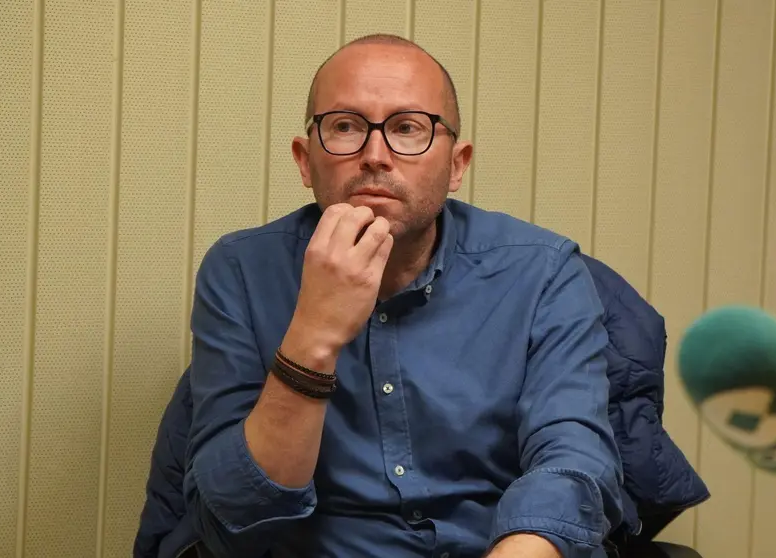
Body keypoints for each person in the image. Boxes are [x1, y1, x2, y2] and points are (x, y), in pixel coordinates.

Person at [183, 33, 625, 558]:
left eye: (408, 128)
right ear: (305, 161)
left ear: (457, 164)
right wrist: (313, 337)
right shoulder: (240, 271)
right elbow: (235, 517)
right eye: (345, 126)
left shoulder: (543, 272)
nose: (376, 156)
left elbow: (573, 463)